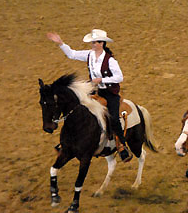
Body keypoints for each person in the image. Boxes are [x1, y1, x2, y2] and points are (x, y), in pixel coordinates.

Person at [47, 29, 132, 162]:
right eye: (92, 42)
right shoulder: (89, 55)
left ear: (102, 43)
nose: (93, 44)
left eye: (96, 42)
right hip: (95, 91)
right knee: (76, 109)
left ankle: (122, 145)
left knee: (114, 118)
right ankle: (68, 141)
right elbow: (72, 54)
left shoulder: (110, 60)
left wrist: (102, 80)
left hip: (110, 93)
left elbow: (119, 77)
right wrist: (61, 43)